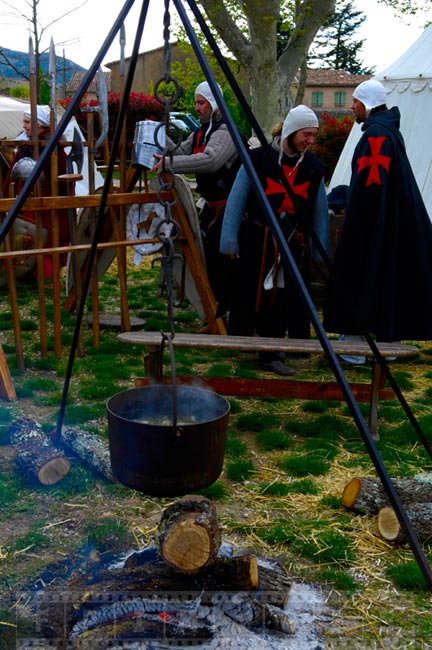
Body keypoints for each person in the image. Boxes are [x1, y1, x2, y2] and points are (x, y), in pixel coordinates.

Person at [220, 105, 330, 376]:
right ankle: (263, 349)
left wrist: (319, 249)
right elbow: (237, 198)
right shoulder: (258, 159)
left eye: (314, 135)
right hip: (259, 239)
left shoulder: (313, 168)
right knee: (257, 295)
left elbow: (319, 209)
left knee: (285, 296)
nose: (310, 140)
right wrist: (229, 238)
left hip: (293, 242)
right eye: (306, 134)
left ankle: (275, 346)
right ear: (291, 131)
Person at [323, 79, 432, 343]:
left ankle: (359, 341)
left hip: (373, 223)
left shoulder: (376, 136)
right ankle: (386, 338)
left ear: (366, 103)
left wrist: (360, 222)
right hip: (386, 221)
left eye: (356, 102)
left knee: (363, 274)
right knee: (387, 278)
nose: (352, 107)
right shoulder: (386, 131)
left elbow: (372, 185)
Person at [152, 81, 241, 314]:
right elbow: (181, 152)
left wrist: (170, 164)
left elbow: (211, 160)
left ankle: (227, 318)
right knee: (209, 263)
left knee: (227, 267)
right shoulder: (201, 132)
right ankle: (215, 316)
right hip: (212, 210)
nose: (197, 108)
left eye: (201, 103)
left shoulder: (226, 131)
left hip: (232, 212)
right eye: (196, 103)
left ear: (214, 103)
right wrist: (158, 136)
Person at [2, 106, 69, 281]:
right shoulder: (25, 145)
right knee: (25, 238)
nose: (24, 126)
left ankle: (44, 274)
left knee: (46, 239)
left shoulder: (53, 148)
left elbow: (62, 179)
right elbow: (12, 176)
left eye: (27, 122)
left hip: (45, 204)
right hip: (24, 202)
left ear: (39, 125)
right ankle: (26, 272)